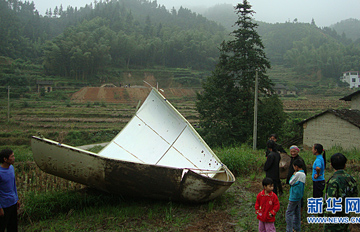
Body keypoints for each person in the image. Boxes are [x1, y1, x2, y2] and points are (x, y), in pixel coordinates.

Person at [324, 153, 358, 232]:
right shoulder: (351, 179)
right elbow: (354, 197)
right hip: (345, 217)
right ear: (345, 165)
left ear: (331, 165)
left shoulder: (333, 181)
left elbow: (331, 204)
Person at [0, 149, 20, 232]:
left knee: (13, 227)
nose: (14, 158)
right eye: (12, 156)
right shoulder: (0, 173)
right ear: (5, 159)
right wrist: (0, 208)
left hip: (13, 203)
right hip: (4, 206)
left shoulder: (11, 168)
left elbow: (13, 185)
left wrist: (17, 198)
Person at [285, 159, 306, 232]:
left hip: (294, 196)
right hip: (299, 196)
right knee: (297, 213)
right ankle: (297, 228)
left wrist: (293, 175)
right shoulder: (303, 174)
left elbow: (290, 182)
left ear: (296, 167)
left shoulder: (297, 174)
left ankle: (289, 229)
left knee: (289, 213)